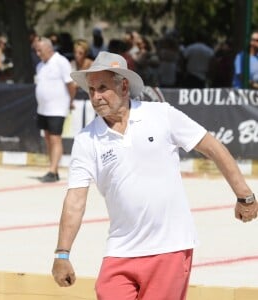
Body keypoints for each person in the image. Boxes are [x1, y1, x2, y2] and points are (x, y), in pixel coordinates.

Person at [51, 52, 258, 299]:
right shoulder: (86, 139)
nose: (96, 97)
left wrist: (244, 195)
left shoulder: (161, 114)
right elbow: (75, 200)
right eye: (91, 90)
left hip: (170, 248)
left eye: (103, 88)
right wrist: (62, 254)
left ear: (124, 86)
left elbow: (212, 147)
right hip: (120, 250)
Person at [35, 37, 76, 183]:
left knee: (55, 138)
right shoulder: (40, 66)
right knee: (47, 138)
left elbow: (71, 84)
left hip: (57, 107)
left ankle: (52, 171)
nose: (38, 53)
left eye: (40, 50)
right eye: (36, 50)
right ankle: (53, 169)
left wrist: (70, 101)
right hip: (43, 108)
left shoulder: (61, 62)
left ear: (48, 48)